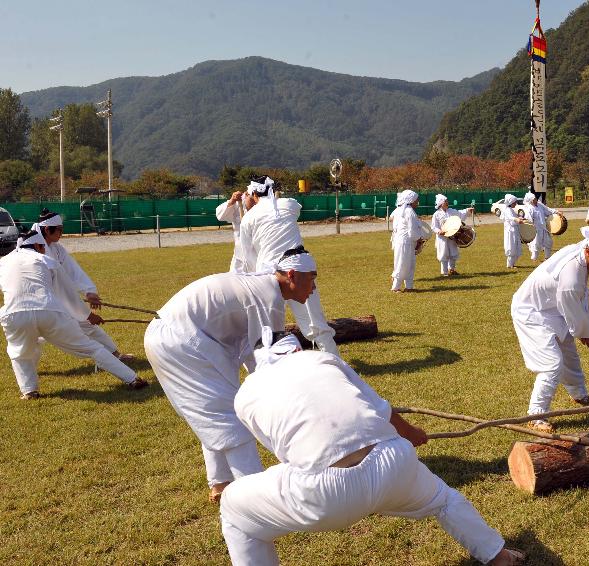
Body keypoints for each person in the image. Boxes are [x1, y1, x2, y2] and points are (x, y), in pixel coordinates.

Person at [219, 349, 525, 566]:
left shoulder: (244, 396)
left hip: (323, 493)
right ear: (297, 349)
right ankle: (498, 555)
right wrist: (412, 434)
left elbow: (284, 450)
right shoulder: (322, 358)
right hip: (392, 460)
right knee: (444, 499)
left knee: (234, 508)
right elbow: (381, 409)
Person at [144, 246, 318, 503]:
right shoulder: (268, 298)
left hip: (184, 338)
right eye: (312, 279)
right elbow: (268, 356)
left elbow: (254, 354)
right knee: (227, 416)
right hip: (181, 341)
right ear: (292, 275)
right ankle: (256, 494)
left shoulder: (265, 289)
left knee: (214, 412)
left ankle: (222, 483)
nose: (314, 288)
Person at [0, 230, 146, 399]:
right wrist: (87, 315)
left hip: (14, 315)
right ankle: (132, 378)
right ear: (39, 246)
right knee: (92, 347)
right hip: (50, 312)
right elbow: (67, 294)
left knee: (20, 354)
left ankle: (29, 391)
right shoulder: (46, 260)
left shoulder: (3, 262)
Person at [511, 224, 589, 432]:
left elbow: (578, 304)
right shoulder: (571, 276)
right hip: (531, 311)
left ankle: (579, 394)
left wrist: (584, 331)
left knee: (569, 355)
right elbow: (573, 308)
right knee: (552, 364)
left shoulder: (585, 252)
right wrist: (585, 333)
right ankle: (537, 414)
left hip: (552, 308)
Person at [239, 176, 338, 355]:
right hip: (297, 269)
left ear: (254, 194)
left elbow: (248, 256)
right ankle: (334, 361)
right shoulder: (289, 204)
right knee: (314, 321)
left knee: (269, 327)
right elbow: (294, 210)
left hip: (270, 275)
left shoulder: (249, 218)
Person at [35, 209, 134, 361]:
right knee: (30, 338)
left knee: (87, 326)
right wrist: (87, 314)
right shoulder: (34, 249)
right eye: (60, 230)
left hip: (56, 303)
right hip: (40, 306)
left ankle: (115, 356)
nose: (62, 233)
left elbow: (73, 271)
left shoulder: (57, 249)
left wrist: (89, 292)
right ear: (47, 229)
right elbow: (60, 288)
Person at [390, 189, 429, 291]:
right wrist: (419, 239)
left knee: (410, 264)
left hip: (405, 241)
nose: (417, 202)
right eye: (416, 200)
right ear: (411, 200)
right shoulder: (409, 212)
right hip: (405, 242)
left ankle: (409, 287)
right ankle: (396, 287)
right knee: (403, 264)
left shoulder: (400, 210)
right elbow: (412, 230)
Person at [430, 194, 474, 276]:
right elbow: (434, 226)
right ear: (440, 203)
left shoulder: (452, 211)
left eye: (447, 201)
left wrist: (468, 210)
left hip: (452, 236)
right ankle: (445, 272)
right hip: (442, 238)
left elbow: (460, 214)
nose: (447, 202)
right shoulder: (436, 214)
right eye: (445, 201)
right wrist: (439, 231)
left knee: (453, 252)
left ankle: (452, 270)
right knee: (443, 253)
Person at [215, 191, 249, 273]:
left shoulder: (268, 206)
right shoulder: (239, 203)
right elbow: (220, 216)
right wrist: (232, 201)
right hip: (240, 252)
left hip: (260, 252)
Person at [522, 191, 556, 262]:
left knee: (548, 242)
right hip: (536, 230)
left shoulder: (540, 205)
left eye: (535, 199)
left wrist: (556, 212)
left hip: (544, 228)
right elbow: (528, 220)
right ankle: (534, 258)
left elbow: (548, 210)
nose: (535, 200)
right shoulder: (529, 208)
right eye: (534, 199)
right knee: (536, 244)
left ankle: (547, 257)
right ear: (530, 201)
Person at [502, 194, 527, 268]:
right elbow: (510, 218)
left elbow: (514, 217)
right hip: (510, 232)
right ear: (511, 203)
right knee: (511, 247)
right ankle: (509, 265)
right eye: (514, 202)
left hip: (514, 231)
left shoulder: (510, 210)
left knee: (515, 247)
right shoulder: (507, 210)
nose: (516, 204)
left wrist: (521, 218)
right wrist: (517, 219)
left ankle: (512, 264)